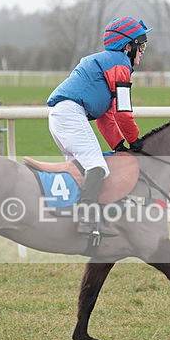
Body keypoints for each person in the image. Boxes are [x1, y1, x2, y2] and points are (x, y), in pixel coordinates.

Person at [46, 16, 151, 237]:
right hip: (70, 113)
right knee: (98, 167)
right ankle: (86, 220)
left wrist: (119, 145)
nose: (142, 51)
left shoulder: (108, 63)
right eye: (140, 46)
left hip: (64, 114)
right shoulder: (119, 65)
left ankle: (72, 217)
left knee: (80, 171)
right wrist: (135, 141)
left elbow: (107, 116)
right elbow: (124, 112)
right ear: (128, 46)